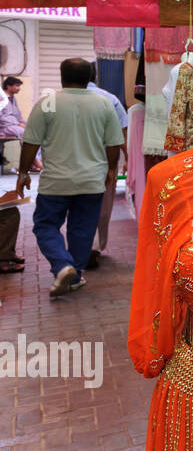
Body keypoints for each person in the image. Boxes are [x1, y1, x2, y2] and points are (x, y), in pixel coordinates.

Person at [17, 58, 123, 295]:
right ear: (91, 78)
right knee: (82, 231)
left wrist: (23, 173)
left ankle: (63, 265)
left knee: (45, 225)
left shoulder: (48, 103)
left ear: (62, 77)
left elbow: (31, 142)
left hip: (56, 182)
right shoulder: (104, 105)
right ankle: (74, 276)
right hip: (92, 181)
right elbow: (114, 144)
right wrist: (111, 170)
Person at [87, 72, 129, 268]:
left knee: (77, 207)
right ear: (96, 76)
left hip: (69, 162)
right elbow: (121, 132)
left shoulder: (56, 100)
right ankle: (93, 247)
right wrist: (126, 158)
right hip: (102, 159)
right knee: (102, 206)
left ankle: (83, 246)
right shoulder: (110, 99)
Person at [0, 76, 26, 174]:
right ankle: (32, 162)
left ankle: (33, 161)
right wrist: (18, 124)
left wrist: (24, 123)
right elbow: (1, 118)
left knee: (34, 131)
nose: (19, 88)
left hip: (12, 126)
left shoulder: (13, 99)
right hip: (3, 127)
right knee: (25, 132)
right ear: (8, 86)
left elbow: (18, 116)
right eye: (17, 86)